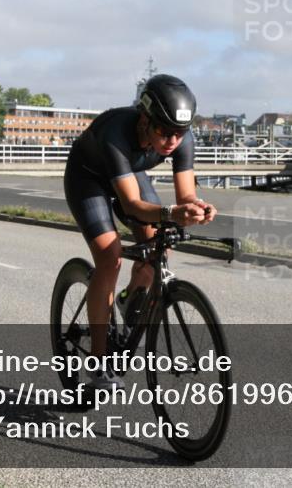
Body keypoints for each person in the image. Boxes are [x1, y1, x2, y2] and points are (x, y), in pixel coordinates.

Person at [63, 74, 216, 392]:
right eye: (164, 130)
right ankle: (99, 363)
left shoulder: (181, 139)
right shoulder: (117, 131)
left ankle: (128, 298)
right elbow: (132, 205)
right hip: (88, 177)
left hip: (129, 174)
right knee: (110, 257)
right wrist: (171, 213)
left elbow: (185, 195)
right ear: (145, 119)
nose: (172, 140)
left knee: (159, 245)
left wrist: (195, 208)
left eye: (180, 132)